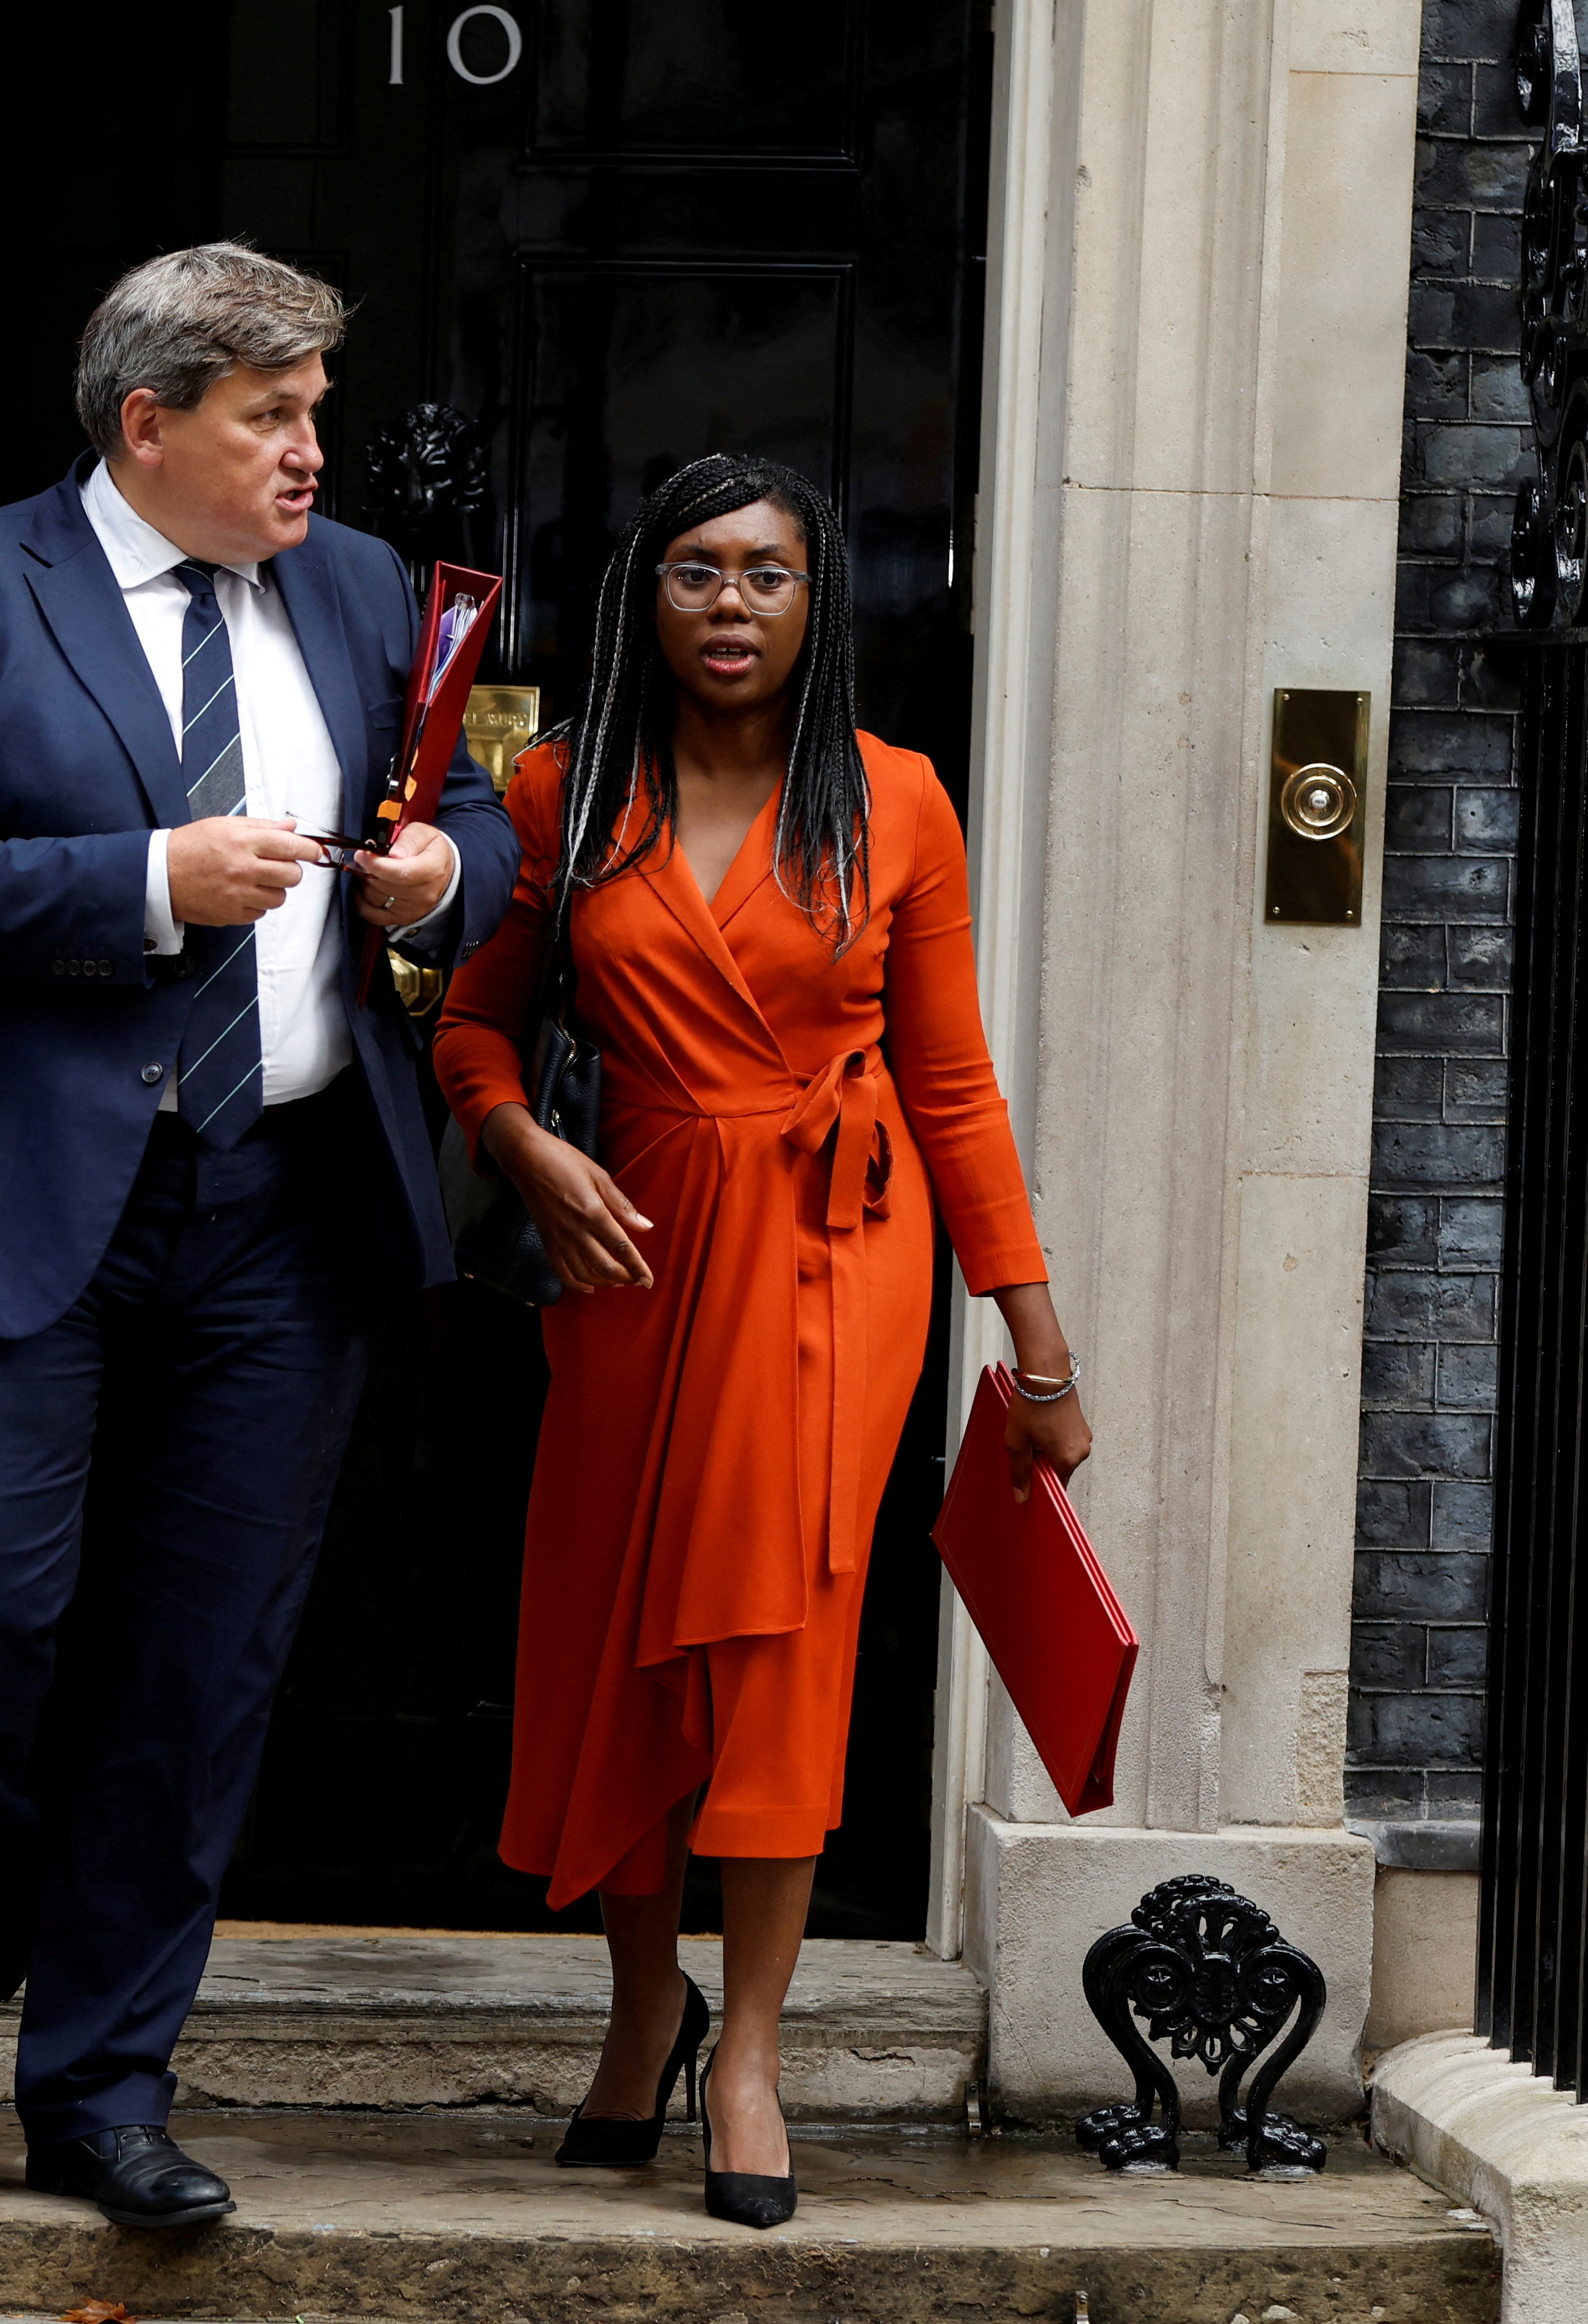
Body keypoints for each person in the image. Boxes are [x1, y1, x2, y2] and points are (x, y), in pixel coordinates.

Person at [0, 243, 518, 2230]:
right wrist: (146, 880)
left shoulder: (362, 592)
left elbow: (493, 816)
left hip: (279, 1209)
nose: (312, 453)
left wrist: (446, 874)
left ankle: (103, 2084)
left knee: (198, 1670)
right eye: (273, 416)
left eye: (317, 412)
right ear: (149, 423)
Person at [435, 455, 1090, 2230]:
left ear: (824, 605)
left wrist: (1037, 1353)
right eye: (699, 572)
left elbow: (953, 1088)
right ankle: (647, 2004)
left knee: (780, 1643)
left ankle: (753, 2055)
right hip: (626, 1239)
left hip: (830, 1255)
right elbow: (472, 1029)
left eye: (771, 575)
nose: (733, 605)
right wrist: (521, 1142)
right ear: (646, 593)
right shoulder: (562, 791)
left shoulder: (897, 804)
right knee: (616, 1642)